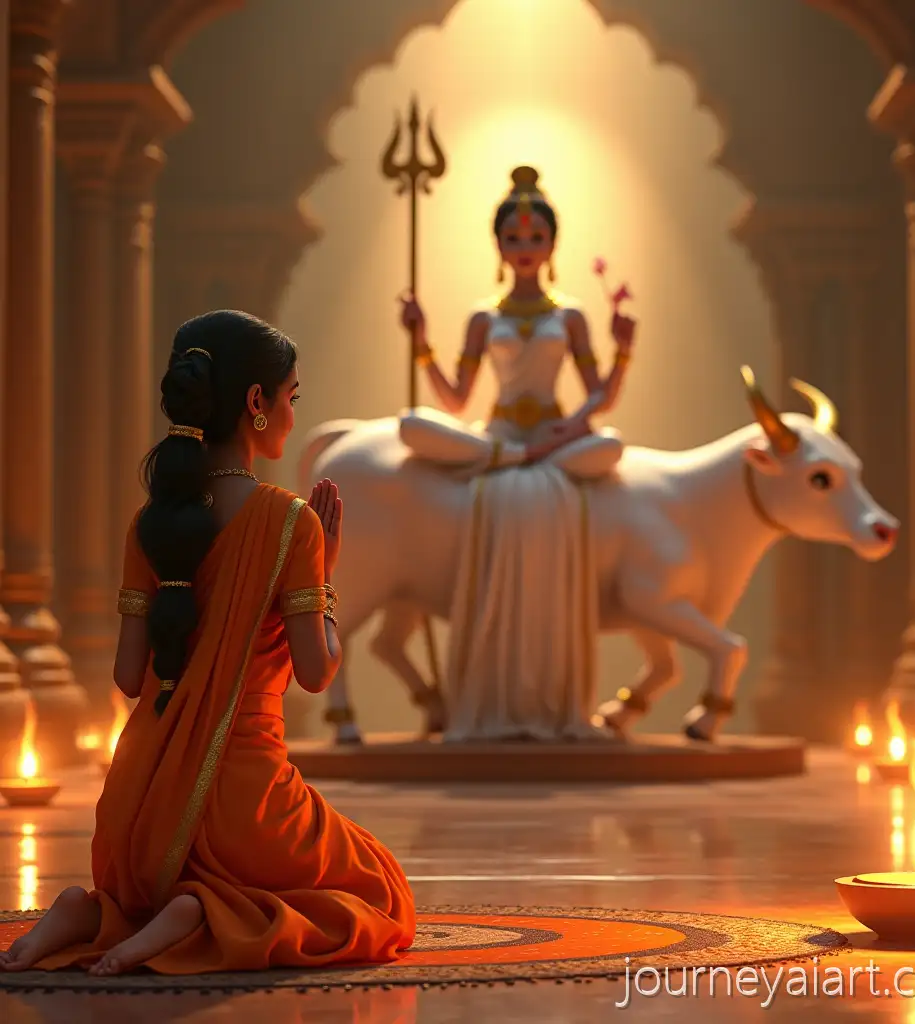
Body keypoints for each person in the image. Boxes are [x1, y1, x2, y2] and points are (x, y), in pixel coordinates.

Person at [0, 310, 416, 976]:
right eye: (291, 397)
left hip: (137, 816)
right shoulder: (290, 524)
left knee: (138, 889)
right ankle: (203, 914)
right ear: (256, 403)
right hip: (246, 808)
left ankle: (93, 910)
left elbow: (129, 676)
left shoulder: (152, 524)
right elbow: (317, 671)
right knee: (380, 891)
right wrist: (324, 582)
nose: (290, 413)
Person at [397, 165, 635, 478]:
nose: (525, 248)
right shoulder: (484, 317)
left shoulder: (569, 316)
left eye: (536, 237)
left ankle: (523, 455)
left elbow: (600, 399)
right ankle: (519, 454)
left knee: (610, 445)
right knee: (411, 425)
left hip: (554, 437)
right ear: (498, 245)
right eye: (513, 238)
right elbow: (457, 401)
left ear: (552, 245)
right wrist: (421, 342)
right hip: (499, 435)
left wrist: (622, 352)